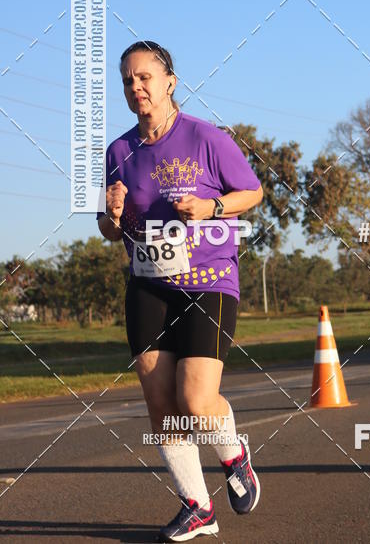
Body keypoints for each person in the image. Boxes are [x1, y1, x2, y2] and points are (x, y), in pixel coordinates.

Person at [97, 40, 263, 541]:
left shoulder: (206, 138)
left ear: (170, 81)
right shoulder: (120, 151)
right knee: (159, 402)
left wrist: (212, 209)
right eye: (127, 80)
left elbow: (252, 192)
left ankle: (234, 456)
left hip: (209, 280)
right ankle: (197, 505)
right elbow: (108, 231)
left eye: (144, 77)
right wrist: (112, 213)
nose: (136, 87)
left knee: (195, 398)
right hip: (148, 284)